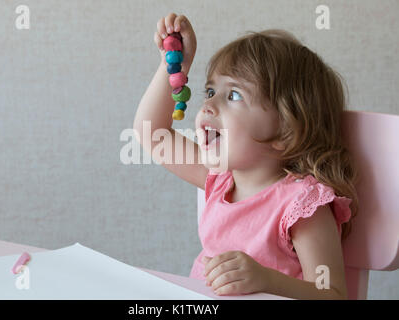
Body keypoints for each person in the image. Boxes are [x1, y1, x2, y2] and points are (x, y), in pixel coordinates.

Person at [133, 13, 358, 300]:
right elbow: (151, 133)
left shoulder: (302, 206)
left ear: (286, 130)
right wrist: (175, 65)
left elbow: (333, 294)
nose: (209, 104)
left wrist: (267, 280)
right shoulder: (220, 179)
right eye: (211, 90)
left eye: (234, 96)